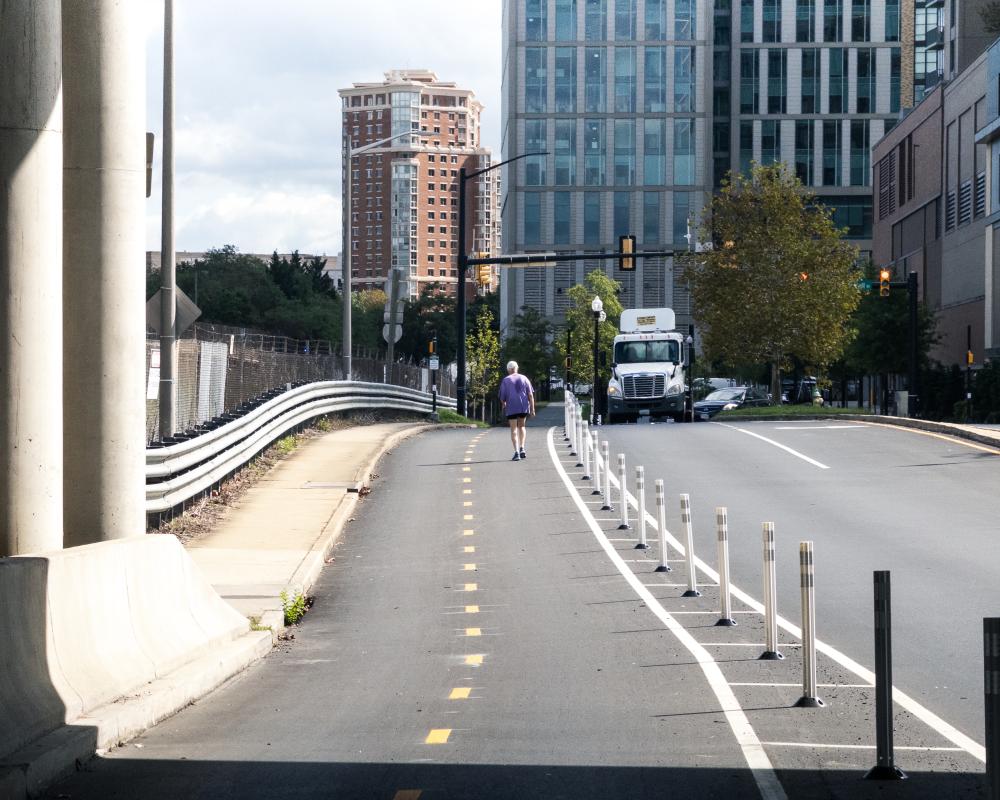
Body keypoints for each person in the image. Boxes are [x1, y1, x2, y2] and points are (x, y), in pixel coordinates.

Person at [499, 360, 535, 461]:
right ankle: (522, 447)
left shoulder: (506, 380)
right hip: (523, 406)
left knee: (513, 429)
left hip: (511, 407)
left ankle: (516, 453)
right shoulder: (524, 378)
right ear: (517, 368)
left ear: (508, 370)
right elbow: (530, 395)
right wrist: (532, 409)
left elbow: (502, 397)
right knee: (522, 426)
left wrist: (504, 403)